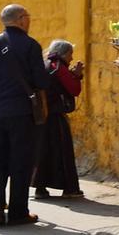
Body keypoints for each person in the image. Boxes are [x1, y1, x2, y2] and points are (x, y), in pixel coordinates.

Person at [0, 4, 50, 226]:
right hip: (22, 113)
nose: (29, 21)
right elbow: (41, 81)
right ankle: (18, 212)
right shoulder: (30, 45)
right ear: (20, 19)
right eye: (28, 17)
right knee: (20, 161)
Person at [32, 39, 84, 199]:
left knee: (43, 151)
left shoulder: (45, 64)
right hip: (55, 115)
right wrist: (76, 76)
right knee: (63, 151)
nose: (71, 58)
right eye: (70, 54)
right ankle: (69, 188)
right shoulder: (59, 68)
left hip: (41, 116)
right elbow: (74, 90)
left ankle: (40, 188)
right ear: (64, 54)